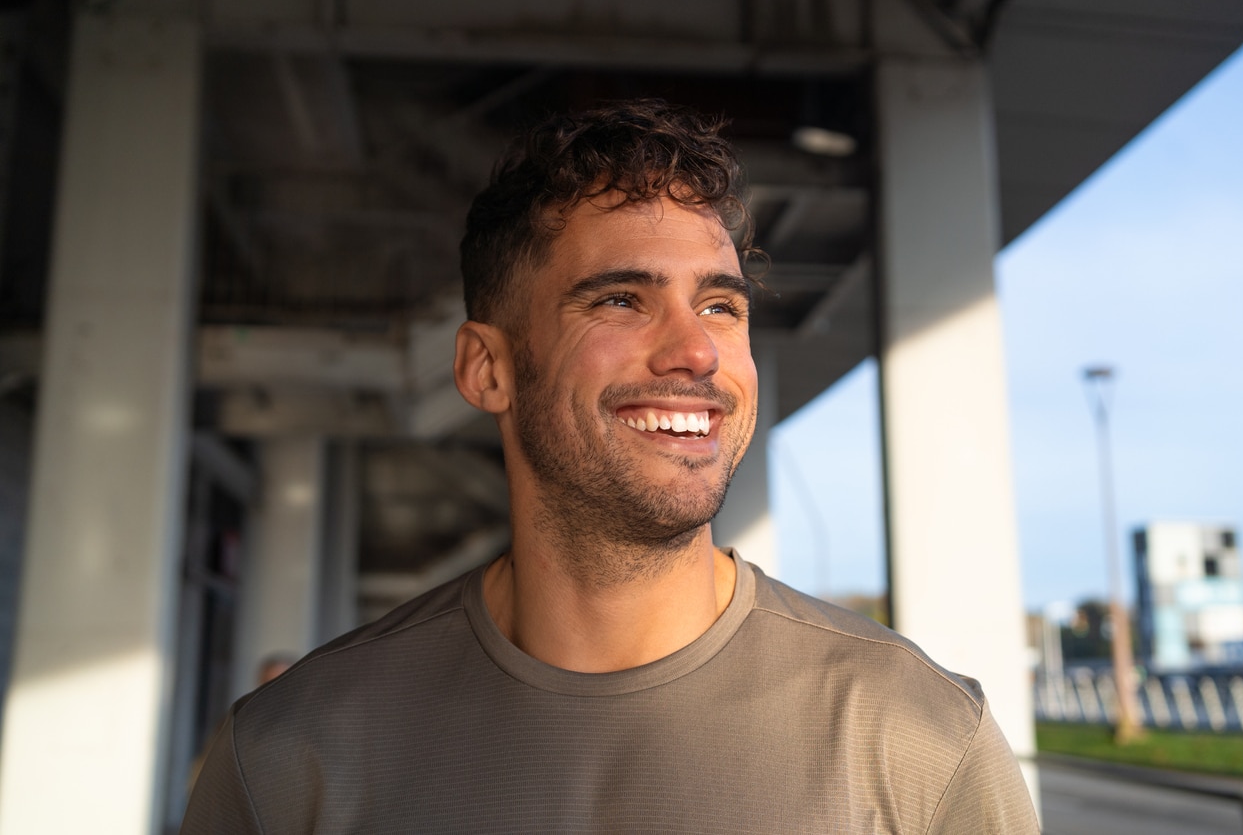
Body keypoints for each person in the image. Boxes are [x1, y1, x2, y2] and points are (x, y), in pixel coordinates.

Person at [181, 99, 1038, 833]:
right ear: (489, 368)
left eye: (719, 304)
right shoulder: (291, 756)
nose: (698, 350)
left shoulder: (920, 740)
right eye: (621, 299)